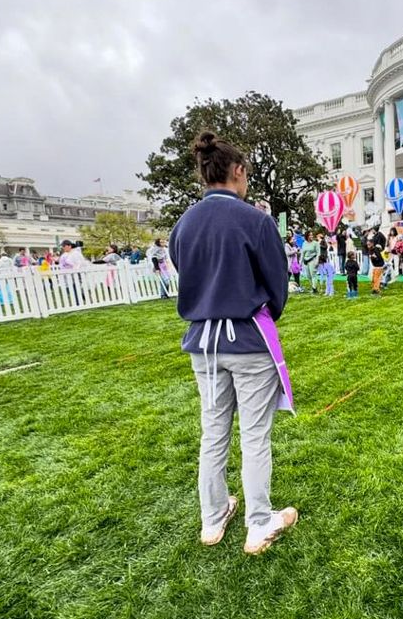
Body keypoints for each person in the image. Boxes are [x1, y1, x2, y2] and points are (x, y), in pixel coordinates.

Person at [167, 131, 297, 555]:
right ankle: (258, 523)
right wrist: (260, 312)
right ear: (237, 171)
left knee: (213, 431)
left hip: (202, 343)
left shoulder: (183, 224)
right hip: (246, 339)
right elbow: (278, 285)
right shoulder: (255, 220)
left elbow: (182, 270)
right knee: (254, 435)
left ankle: (213, 517)